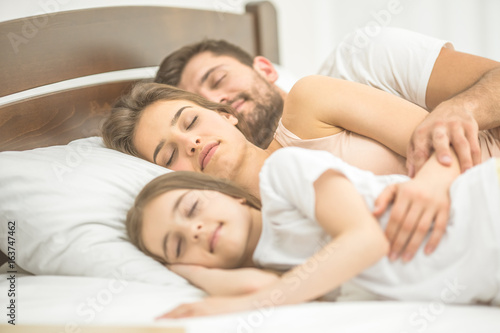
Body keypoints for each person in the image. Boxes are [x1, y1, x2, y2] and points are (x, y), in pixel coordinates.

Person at [102, 74, 500, 262]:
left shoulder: (311, 103)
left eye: (190, 123)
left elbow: (450, 140)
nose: (190, 143)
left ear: (225, 114)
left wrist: (430, 186)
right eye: (168, 156)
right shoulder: (245, 241)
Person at [126, 146, 500, 319]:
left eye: (192, 209)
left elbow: (365, 241)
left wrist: (244, 304)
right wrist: (186, 270)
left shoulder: (281, 175)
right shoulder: (281, 273)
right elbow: (259, 286)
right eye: (177, 243)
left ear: (229, 195)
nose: (194, 230)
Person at [154, 27, 500, 177]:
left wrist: (462, 108)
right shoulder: (264, 184)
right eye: (202, 106)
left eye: (217, 80)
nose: (219, 100)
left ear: (265, 68)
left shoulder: (365, 56)